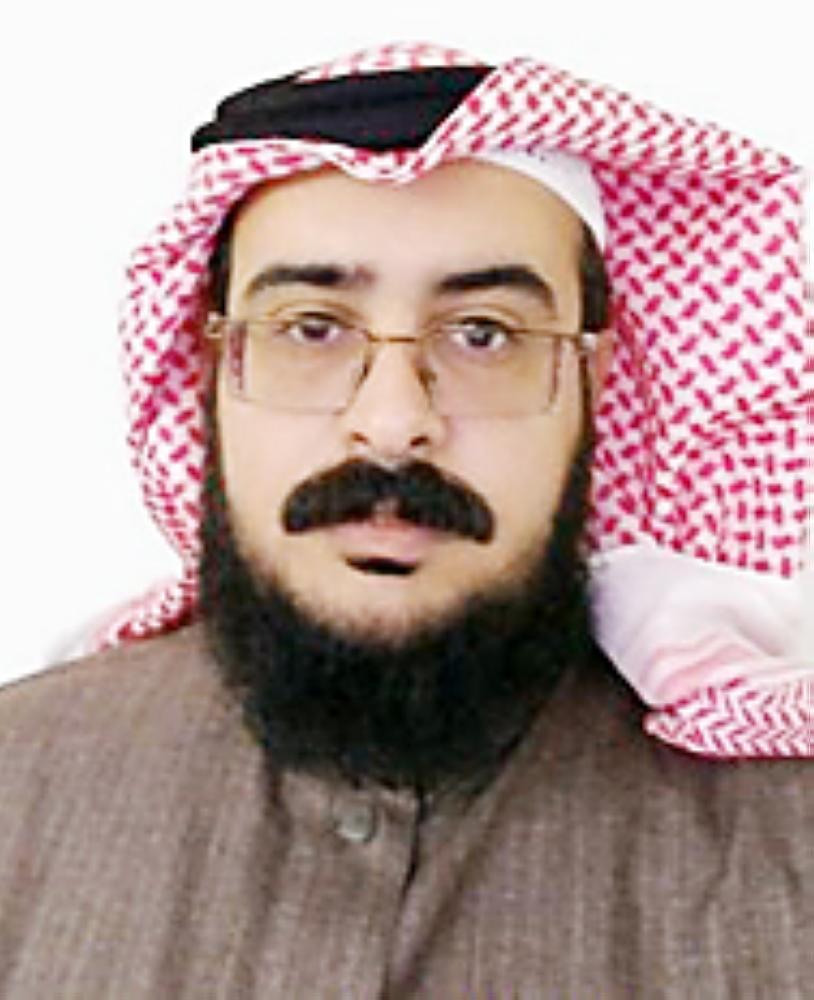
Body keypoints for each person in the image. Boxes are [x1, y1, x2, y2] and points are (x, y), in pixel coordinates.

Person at [0, 42, 810, 997]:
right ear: (212, 368)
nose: (391, 424)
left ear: (593, 385)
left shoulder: (787, 845)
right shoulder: (20, 790)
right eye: (311, 328)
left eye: (484, 334)